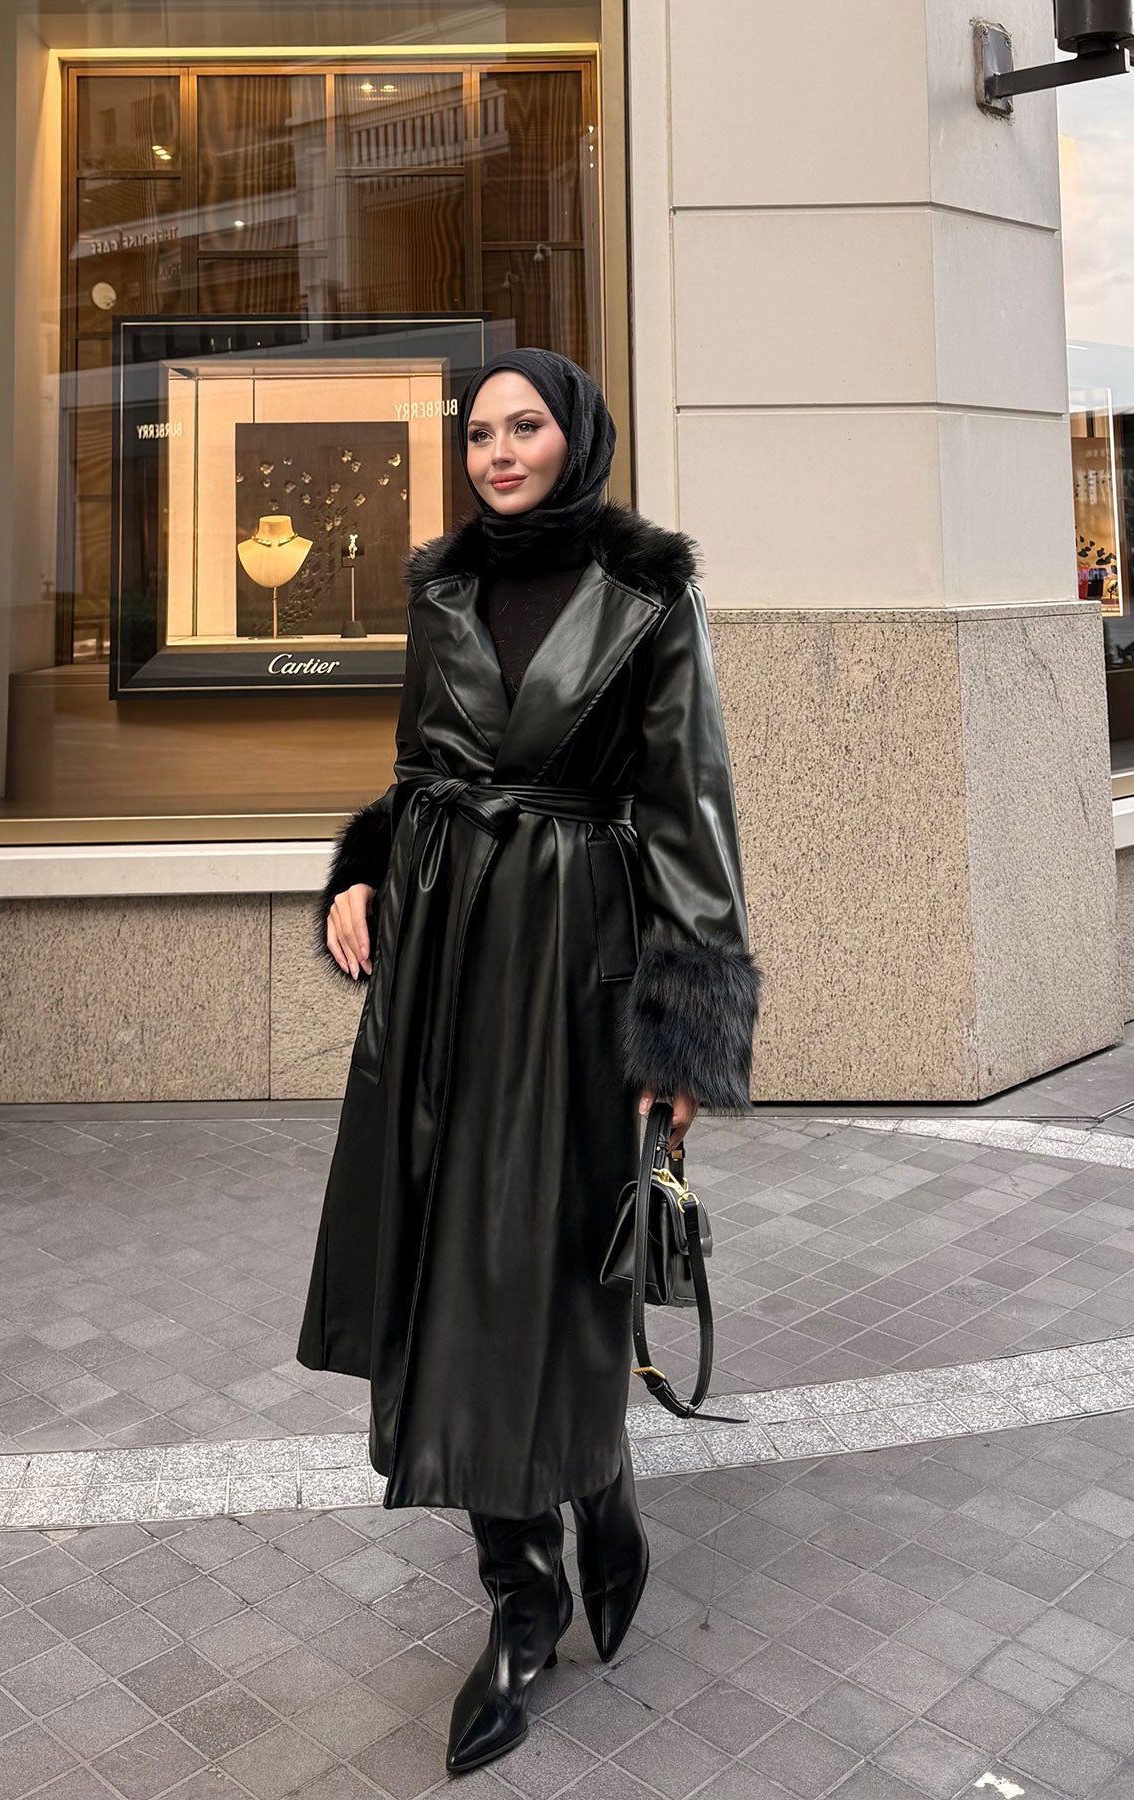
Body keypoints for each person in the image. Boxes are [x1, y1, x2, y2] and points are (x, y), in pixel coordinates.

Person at [296, 348, 762, 1777]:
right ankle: (522, 1587)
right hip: (440, 967)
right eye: (479, 431)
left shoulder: (647, 593)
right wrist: (361, 868)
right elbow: (419, 769)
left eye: (526, 426)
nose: (498, 451)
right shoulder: (441, 586)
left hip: (574, 962)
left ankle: (594, 1481)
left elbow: (689, 814)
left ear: (577, 437)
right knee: (442, 1263)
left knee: (553, 1261)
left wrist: (684, 1030)